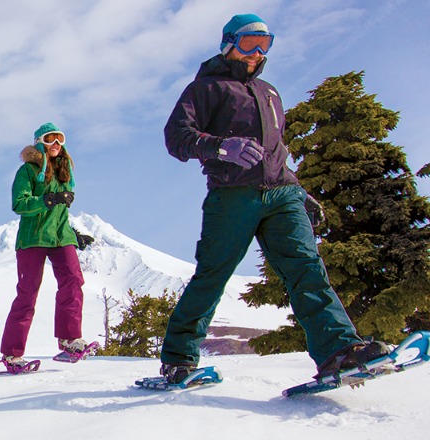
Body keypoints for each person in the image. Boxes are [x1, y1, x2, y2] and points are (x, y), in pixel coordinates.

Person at [157, 13, 389, 384]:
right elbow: (176, 138)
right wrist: (220, 148)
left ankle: (338, 352)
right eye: (249, 43)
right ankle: (178, 359)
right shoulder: (205, 89)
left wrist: (297, 188)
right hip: (232, 196)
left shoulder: (269, 92)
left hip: (283, 194)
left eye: (265, 44)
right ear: (228, 43)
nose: (257, 52)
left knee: (307, 269)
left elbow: (276, 148)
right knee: (212, 277)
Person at [0, 122, 98, 372]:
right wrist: (47, 199)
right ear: (39, 142)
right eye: (49, 138)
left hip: (61, 236)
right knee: (28, 293)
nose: (55, 144)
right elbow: (19, 204)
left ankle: (70, 340)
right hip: (32, 239)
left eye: (59, 139)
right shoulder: (28, 171)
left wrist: (74, 233)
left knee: (73, 280)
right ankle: (12, 355)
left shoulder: (65, 172)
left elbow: (60, 211)